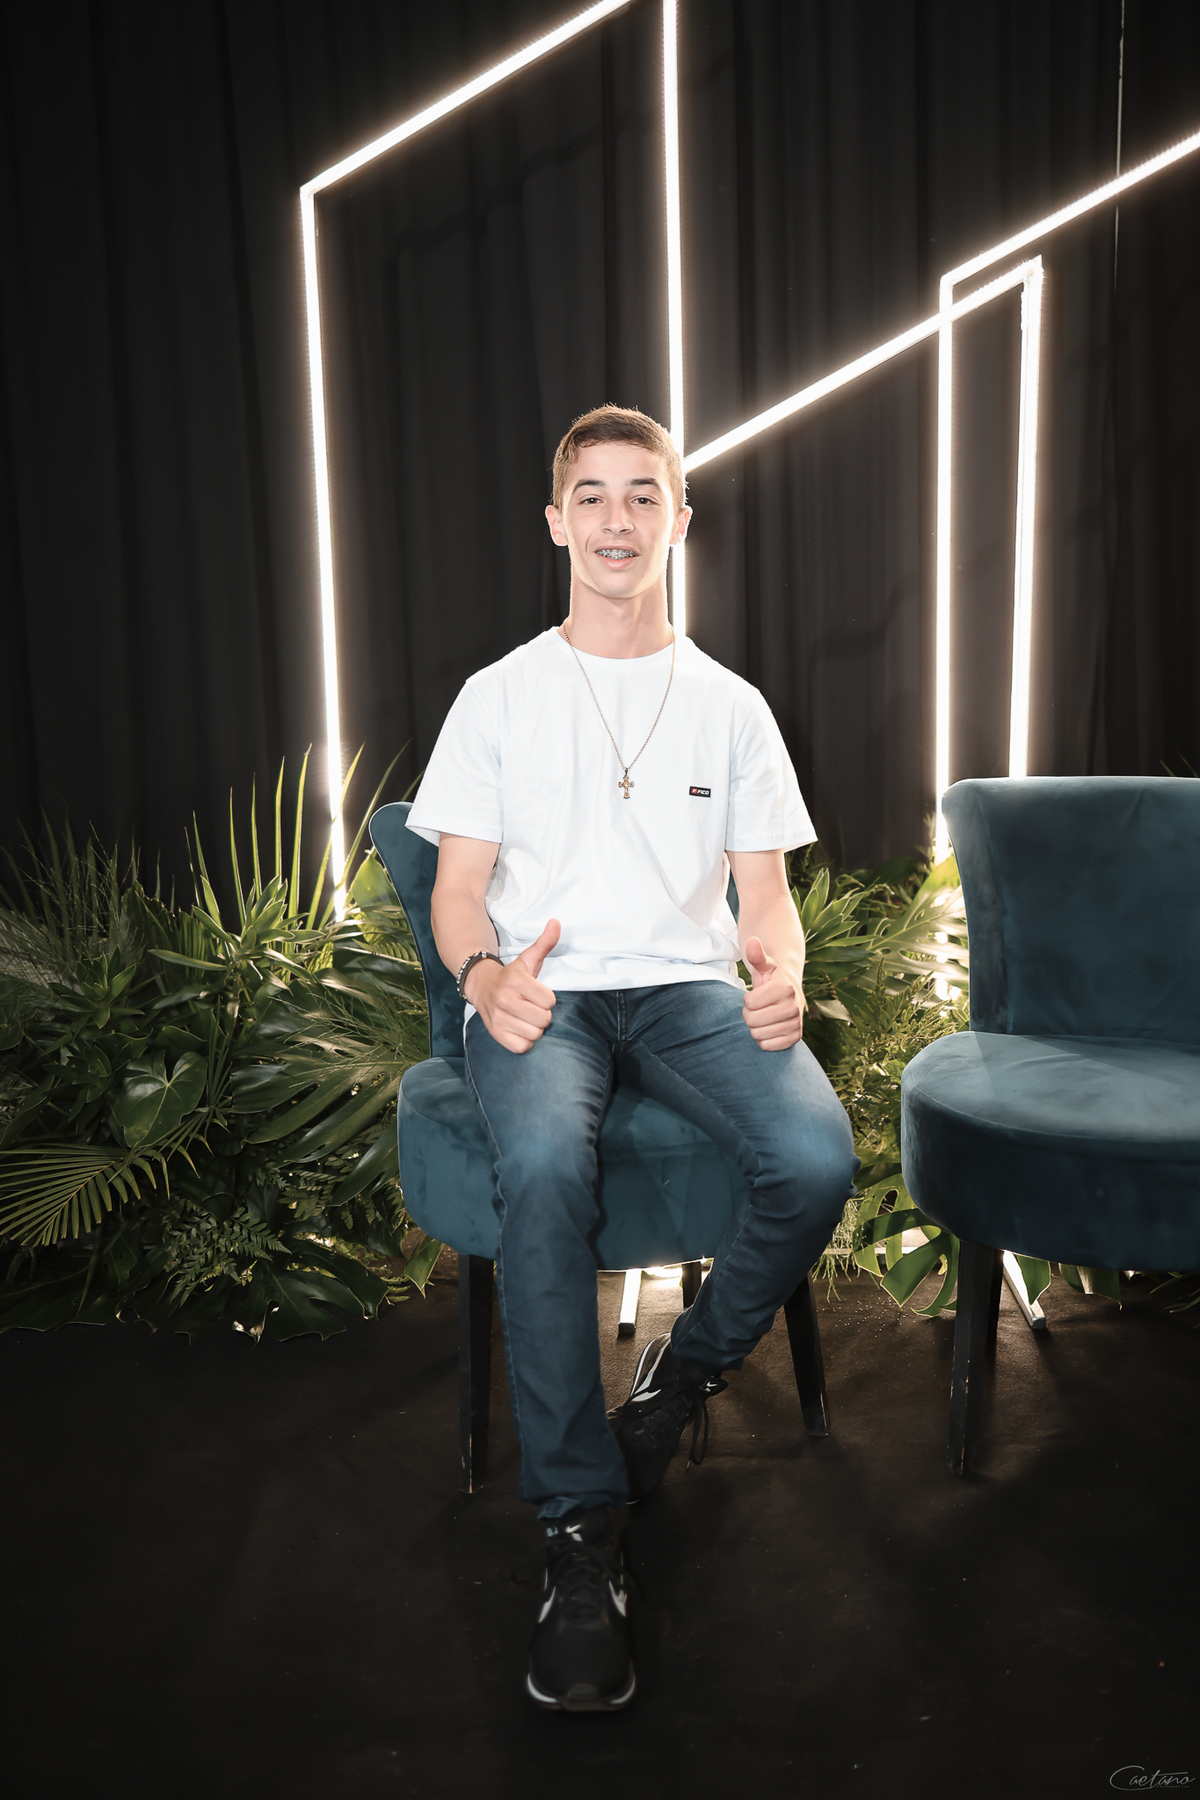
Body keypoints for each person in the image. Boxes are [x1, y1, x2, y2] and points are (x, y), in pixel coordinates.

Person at [406, 404, 857, 1713]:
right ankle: (576, 1529)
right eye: (592, 497)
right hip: (543, 990)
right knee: (546, 1169)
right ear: (556, 522)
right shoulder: (498, 695)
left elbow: (765, 899)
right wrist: (482, 979)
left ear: (679, 519)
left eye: (642, 495)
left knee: (814, 1158)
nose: (618, 520)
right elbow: (458, 891)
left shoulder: (731, 707)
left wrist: (781, 971)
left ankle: (675, 1383)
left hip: (685, 993)